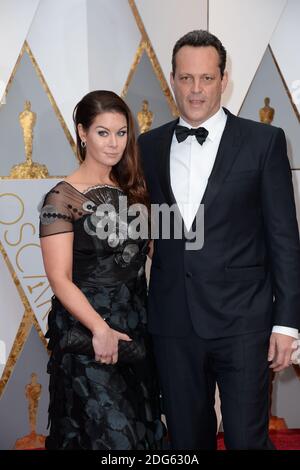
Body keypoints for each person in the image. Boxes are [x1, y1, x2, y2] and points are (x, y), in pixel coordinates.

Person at [138, 30, 300, 450]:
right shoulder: (148, 146)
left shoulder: (264, 142)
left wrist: (286, 323)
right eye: (186, 78)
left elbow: (283, 237)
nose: (196, 90)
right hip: (173, 322)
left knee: (248, 440)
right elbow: (164, 228)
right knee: (186, 444)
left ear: (223, 79)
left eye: (206, 78)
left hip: (244, 322)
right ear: (173, 79)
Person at [39, 90, 164, 450]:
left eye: (121, 133)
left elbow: (154, 256)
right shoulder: (61, 199)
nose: (114, 143)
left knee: (141, 437)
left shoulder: (135, 192)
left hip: (137, 334)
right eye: (103, 132)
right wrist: (100, 330)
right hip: (88, 337)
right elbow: (59, 278)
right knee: (108, 437)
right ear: (82, 132)